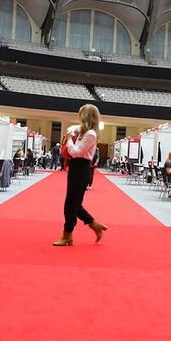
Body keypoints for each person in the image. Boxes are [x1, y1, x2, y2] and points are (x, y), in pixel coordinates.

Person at [53, 104, 107, 246]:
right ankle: (93, 225)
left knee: (71, 205)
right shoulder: (85, 130)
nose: (79, 117)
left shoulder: (91, 134)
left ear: (86, 116)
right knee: (73, 204)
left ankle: (68, 234)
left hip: (81, 169)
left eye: (81, 114)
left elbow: (76, 152)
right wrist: (71, 133)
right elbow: (71, 129)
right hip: (75, 168)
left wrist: (69, 140)